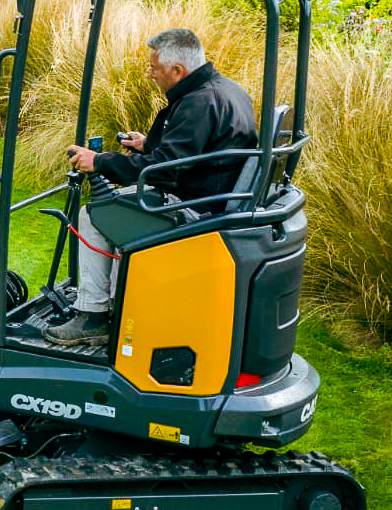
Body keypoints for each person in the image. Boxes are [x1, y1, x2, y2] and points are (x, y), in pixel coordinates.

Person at [46, 28, 258, 345]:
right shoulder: (226, 91)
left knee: (95, 215)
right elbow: (194, 152)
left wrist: (99, 161)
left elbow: (162, 173)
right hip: (213, 197)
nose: (150, 75)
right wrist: (148, 145)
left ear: (177, 70)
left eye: (154, 68)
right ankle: (117, 308)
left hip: (195, 208)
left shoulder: (197, 104)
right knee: (118, 215)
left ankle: (93, 316)